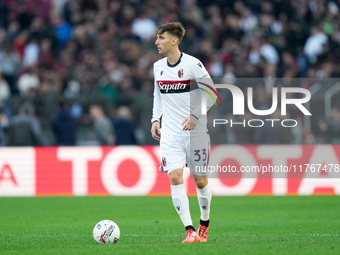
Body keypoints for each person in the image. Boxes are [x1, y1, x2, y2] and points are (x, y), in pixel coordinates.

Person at [150, 22, 215, 243]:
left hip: (195, 133)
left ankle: (204, 223)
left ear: (174, 40)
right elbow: (158, 95)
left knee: (200, 181)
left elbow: (212, 93)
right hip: (170, 134)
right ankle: (189, 230)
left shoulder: (192, 64)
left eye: (161, 38)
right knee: (175, 177)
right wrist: (155, 119)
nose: (157, 42)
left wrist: (196, 115)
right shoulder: (158, 67)